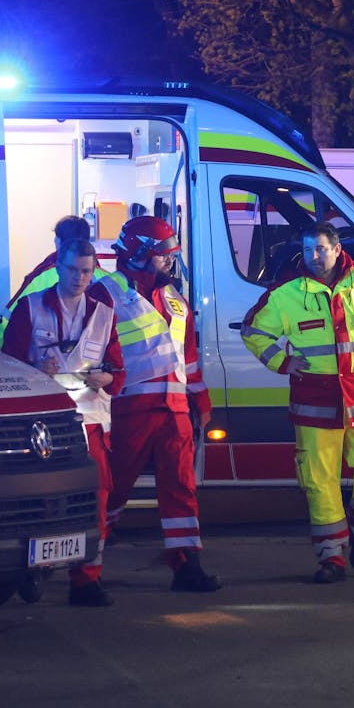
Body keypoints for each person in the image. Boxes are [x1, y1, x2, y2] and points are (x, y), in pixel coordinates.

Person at [241, 220, 354, 583]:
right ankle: (331, 557)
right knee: (320, 482)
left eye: (320, 249)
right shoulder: (287, 292)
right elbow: (253, 329)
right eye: (308, 250)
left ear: (337, 249)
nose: (314, 257)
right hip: (314, 401)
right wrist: (282, 362)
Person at [1, 238, 125, 607]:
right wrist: (35, 369)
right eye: (73, 270)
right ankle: (32, 570)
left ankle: (87, 579)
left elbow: (118, 372)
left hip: (90, 422)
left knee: (96, 499)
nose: (80, 278)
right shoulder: (31, 308)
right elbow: (7, 364)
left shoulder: (104, 313)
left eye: (86, 271)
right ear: (59, 267)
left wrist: (106, 379)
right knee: (40, 501)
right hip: (45, 424)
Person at [105, 215, 222, 592]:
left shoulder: (175, 299)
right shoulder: (105, 294)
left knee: (181, 487)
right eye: (163, 255)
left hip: (174, 412)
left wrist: (201, 403)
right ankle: (83, 562)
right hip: (127, 411)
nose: (170, 262)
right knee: (112, 488)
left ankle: (187, 565)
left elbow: (187, 358)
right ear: (139, 255)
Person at [0, 215, 95, 347]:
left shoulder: (46, 275)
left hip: (46, 363)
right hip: (92, 364)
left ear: (58, 241)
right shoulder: (102, 275)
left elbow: (9, 326)